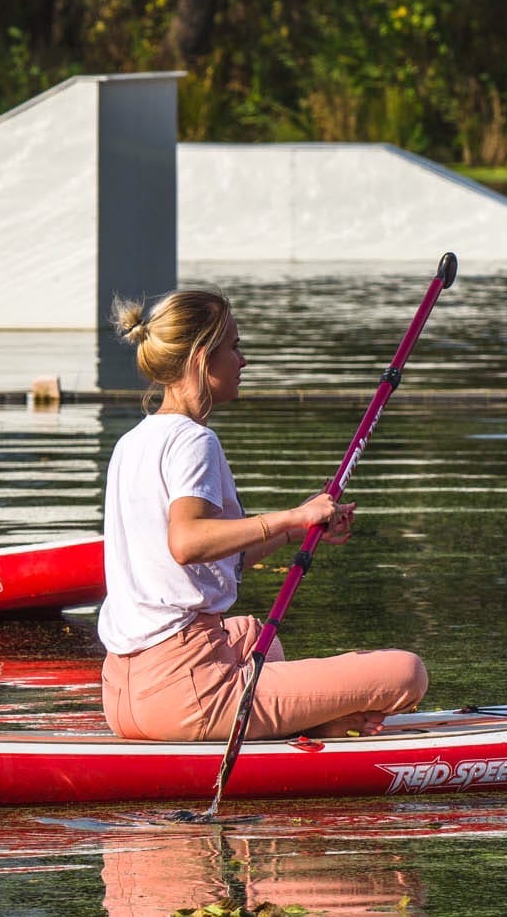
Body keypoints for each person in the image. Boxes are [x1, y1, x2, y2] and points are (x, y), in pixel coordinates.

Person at [98, 288, 428, 741]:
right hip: (188, 693)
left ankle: (306, 721)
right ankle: (303, 724)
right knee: (406, 673)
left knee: (255, 636)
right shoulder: (196, 441)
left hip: (121, 695)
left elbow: (213, 562)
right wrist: (292, 516)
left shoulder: (132, 442)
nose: (243, 360)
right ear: (201, 357)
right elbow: (187, 542)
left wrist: (300, 528)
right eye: (234, 346)